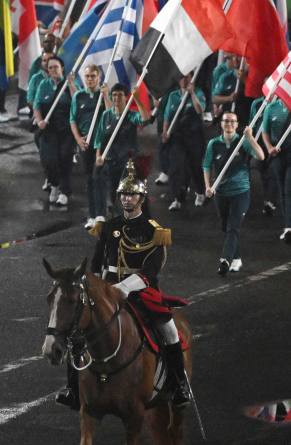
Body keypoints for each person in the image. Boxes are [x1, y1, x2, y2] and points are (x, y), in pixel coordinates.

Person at [67, 160, 190, 409]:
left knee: (169, 329)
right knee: (75, 327)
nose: (126, 198)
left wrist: (124, 288)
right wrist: (94, 287)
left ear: (141, 198)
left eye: (131, 194)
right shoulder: (108, 227)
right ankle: (72, 389)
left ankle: (178, 386)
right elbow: (98, 262)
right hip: (107, 288)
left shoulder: (153, 231)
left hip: (141, 290)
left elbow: (150, 270)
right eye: (123, 194)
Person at [203, 112, 265, 276]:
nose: (229, 123)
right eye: (226, 121)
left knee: (233, 227)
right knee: (226, 226)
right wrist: (208, 186)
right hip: (221, 193)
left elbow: (261, 155)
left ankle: (225, 259)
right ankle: (236, 259)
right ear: (221, 124)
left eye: (232, 121)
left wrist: (250, 138)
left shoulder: (242, 142)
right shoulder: (214, 144)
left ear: (237, 125)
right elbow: (207, 166)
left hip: (240, 192)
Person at [93, 82, 150, 219]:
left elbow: (145, 120)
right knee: (113, 194)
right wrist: (98, 155)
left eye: (120, 95)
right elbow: (99, 137)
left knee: (125, 193)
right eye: (114, 95)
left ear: (126, 97)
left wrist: (137, 98)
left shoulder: (131, 115)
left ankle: (127, 223)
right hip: (112, 161)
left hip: (128, 162)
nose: (116, 98)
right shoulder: (106, 115)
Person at [254, 95, 291, 242]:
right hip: (278, 154)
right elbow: (265, 131)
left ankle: (290, 228)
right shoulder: (271, 108)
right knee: (283, 189)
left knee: (290, 188)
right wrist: (269, 147)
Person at [160, 72, 208, 210]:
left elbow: (200, 110)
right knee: (176, 166)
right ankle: (176, 198)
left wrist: (192, 94)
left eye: (187, 77)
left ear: (191, 78)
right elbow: (167, 116)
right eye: (181, 77)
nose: (183, 80)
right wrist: (165, 131)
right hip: (177, 136)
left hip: (194, 136)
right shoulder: (173, 96)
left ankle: (200, 192)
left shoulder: (198, 92)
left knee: (194, 167)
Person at [32, 56, 74, 205]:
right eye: (50, 68)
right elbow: (36, 105)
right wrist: (39, 121)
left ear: (62, 68)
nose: (53, 70)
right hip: (49, 130)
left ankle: (64, 191)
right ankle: (54, 185)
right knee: (49, 161)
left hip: (67, 130)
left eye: (55, 67)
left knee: (64, 158)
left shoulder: (69, 84)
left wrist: (71, 84)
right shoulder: (44, 84)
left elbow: (77, 101)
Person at [70, 65, 104, 228]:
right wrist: (78, 139)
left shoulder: (104, 95)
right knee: (90, 179)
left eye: (92, 76)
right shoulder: (78, 96)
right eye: (87, 76)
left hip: (102, 144)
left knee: (99, 178)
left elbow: (113, 114)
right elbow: (72, 120)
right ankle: (92, 215)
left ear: (99, 77)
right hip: (86, 144)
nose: (89, 79)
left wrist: (106, 96)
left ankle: (101, 215)